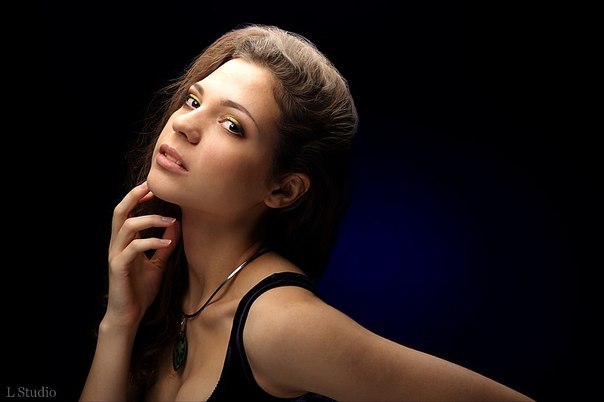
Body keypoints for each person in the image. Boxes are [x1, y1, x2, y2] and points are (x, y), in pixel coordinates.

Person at [80, 23, 535, 401]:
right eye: (194, 101)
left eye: (232, 125)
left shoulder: (280, 324)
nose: (184, 124)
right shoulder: (170, 289)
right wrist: (121, 320)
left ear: (282, 189)